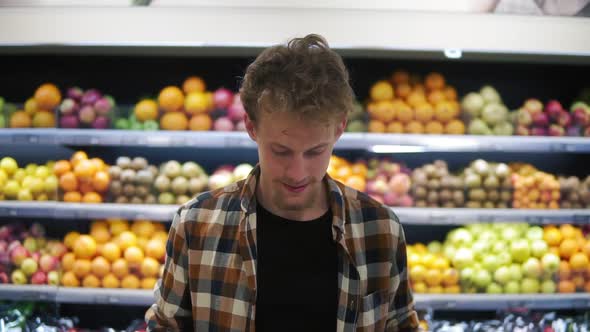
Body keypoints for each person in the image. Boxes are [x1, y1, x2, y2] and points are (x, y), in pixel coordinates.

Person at [145, 34, 418, 332]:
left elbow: (401, 324)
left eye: (315, 151)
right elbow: (165, 326)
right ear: (251, 126)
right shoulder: (197, 223)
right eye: (281, 151)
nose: (297, 172)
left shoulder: (380, 229)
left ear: (339, 128)